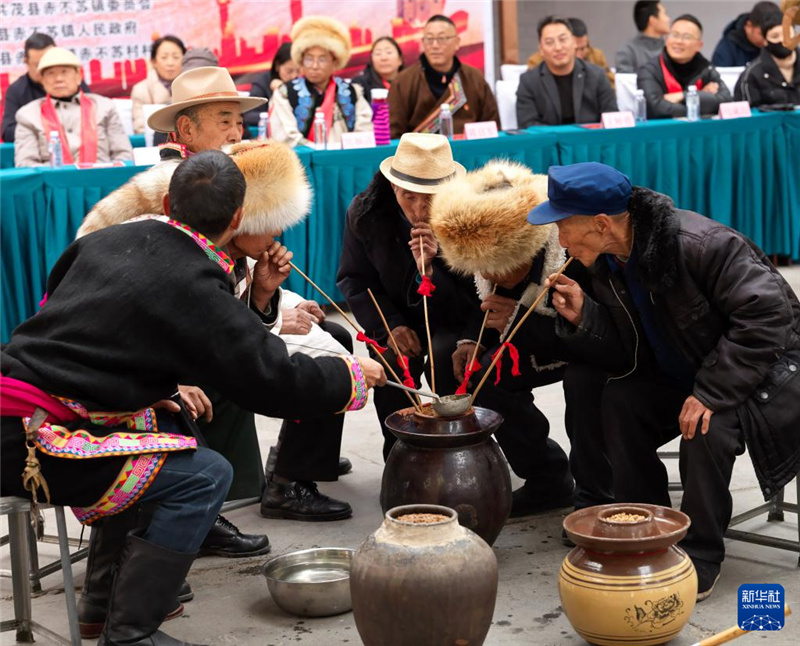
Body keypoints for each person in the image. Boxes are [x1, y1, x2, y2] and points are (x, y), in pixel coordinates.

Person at [1, 150, 385, 646]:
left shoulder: (106, 240)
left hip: (31, 403)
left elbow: (87, 331)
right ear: (237, 218)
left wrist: (147, 391)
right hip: (33, 439)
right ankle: (131, 634)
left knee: (172, 423)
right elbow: (269, 379)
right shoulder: (193, 280)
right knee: (205, 475)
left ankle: (102, 599)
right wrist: (350, 374)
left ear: (166, 201)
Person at [529, 161, 800, 601]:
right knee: (618, 400)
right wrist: (587, 317)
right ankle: (651, 531)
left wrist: (711, 392)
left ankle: (699, 556)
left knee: (704, 427)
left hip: (762, 373)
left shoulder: (700, 244)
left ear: (600, 224)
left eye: (563, 226)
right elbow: (631, 348)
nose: (560, 241)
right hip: (691, 371)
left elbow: (769, 318)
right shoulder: (609, 260)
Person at [428, 161, 575, 516]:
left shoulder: (567, 248)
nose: (486, 274)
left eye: (497, 267)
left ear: (525, 250)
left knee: (588, 386)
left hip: (582, 345)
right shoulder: (485, 247)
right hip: (527, 338)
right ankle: (547, 476)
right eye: (480, 267)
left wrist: (520, 315)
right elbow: (481, 300)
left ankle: (599, 485)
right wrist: (471, 340)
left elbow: (592, 329)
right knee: (483, 379)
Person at [337, 133, 479, 459]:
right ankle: (401, 454)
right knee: (391, 358)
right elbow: (356, 280)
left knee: (446, 356)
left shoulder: (470, 217)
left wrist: (434, 268)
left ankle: (456, 450)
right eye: (408, 196)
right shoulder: (366, 213)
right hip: (395, 314)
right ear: (392, 187)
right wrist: (390, 325)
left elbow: (476, 294)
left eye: (430, 198)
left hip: (452, 318)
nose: (419, 210)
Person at [14, 48, 131, 167]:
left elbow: (124, 155)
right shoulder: (27, 115)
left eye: (64, 72)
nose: (58, 79)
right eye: (51, 73)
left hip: (104, 181)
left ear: (79, 76)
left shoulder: (105, 107)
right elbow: (25, 164)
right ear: (42, 80)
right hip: (53, 183)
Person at [269, 16, 373, 147]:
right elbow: (285, 137)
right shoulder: (285, 93)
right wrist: (319, 154)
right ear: (301, 60)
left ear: (334, 62)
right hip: (303, 163)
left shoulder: (352, 92)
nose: (314, 65)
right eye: (309, 59)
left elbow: (364, 131)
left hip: (346, 162)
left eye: (322, 59)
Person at [388, 15, 498, 138]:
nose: (435, 45)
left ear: (457, 43)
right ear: (423, 43)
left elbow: (491, 127)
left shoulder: (474, 78)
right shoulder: (403, 81)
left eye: (441, 39)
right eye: (429, 39)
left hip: (466, 153)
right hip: (420, 155)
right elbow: (393, 134)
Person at [517, 16, 617, 128]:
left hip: (591, 142)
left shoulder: (597, 75)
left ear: (574, 43)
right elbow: (528, 125)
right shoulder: (528, 82)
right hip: (549, 143)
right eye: (549, 42)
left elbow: (611, 118)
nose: (558, 47)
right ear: (541, 49)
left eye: (563, 39)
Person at [638, 15, 733, 119]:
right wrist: (702, 99)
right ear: (666, 39)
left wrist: (683, 96)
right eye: (674, 35)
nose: (679, 41)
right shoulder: (649, 70)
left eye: (687, 37)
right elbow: (656, 109)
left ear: (699, 45)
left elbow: (726, 101)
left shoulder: (706, 68)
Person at [2, 34, 91, 142]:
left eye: (50, 64)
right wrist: (48, 131)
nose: (57, 79)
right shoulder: (17, 90)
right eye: (39, 65)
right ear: (26, 62)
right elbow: (8, 132)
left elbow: (93, 118)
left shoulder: (71, 83)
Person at [527, 18, 615, 88]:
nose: (579, 55)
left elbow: (610, 85)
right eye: (576, 50)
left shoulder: (596, 57)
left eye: (583, 48)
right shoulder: (537, 62)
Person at [735, 13, 800, 105]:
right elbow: (745, 114)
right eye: (775, 36)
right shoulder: (752, 75)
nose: (782, 40)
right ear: (765, 41)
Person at [130, 35, 186, 134]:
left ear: (184, 59)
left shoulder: (192, 87)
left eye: (176, 57)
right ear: (153, 61)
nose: (170, 63)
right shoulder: (141, 90)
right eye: (164, 58)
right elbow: (140, 129)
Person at [244, 42, 300, 127]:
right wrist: (274, 117)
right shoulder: (262, 82)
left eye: (298, 71)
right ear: (277, 66)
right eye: (289, 71)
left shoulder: (303, 82)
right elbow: (248, 115)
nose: (294, 76)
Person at [712, 1, 783, 67]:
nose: (767, 41)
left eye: (774, 35)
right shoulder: (727, 49)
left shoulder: (781, 43)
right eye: (762, 34)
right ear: (749, 26)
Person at [615, 1, 671, 73]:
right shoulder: (628, 52)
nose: (668, 19)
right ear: (652, 20)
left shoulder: (671, 48)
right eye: (665, 14)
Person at [352, 36, 405, 103]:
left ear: (400, 60)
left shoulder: (411, 83)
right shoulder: (360, 85)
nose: (384, 58)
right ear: (372, 60)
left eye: (389, 52)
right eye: (378, 54)